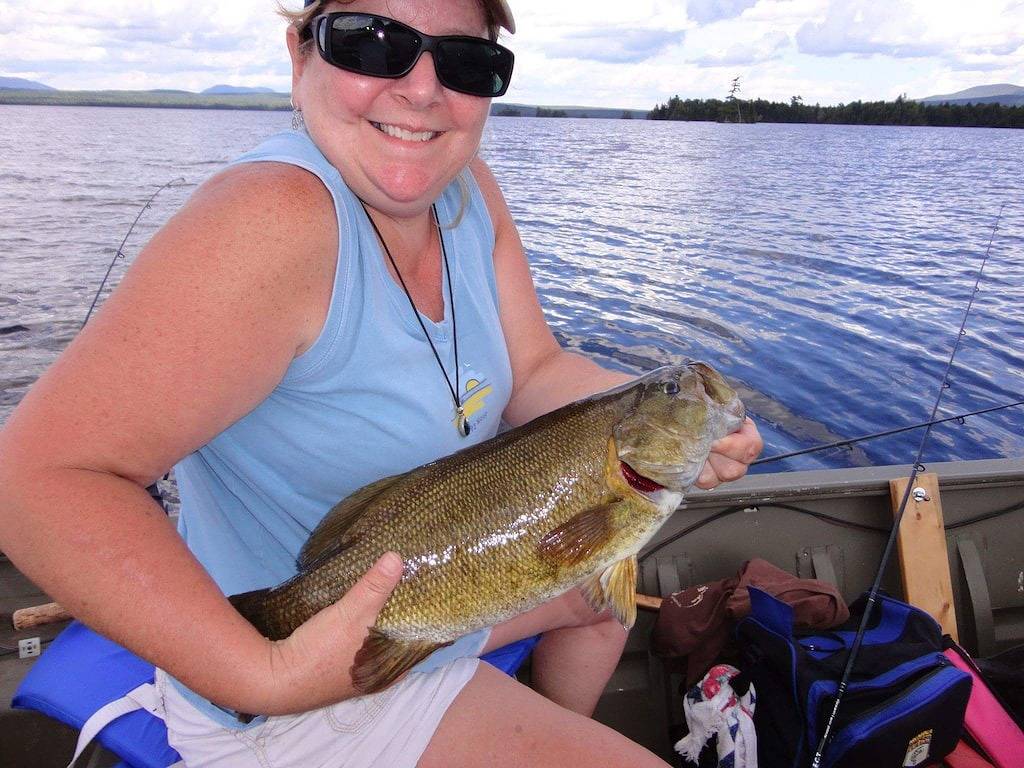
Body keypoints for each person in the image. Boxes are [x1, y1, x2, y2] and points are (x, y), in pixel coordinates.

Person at [0, 0, 763, 765]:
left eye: (466, 62)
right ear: (301, 56)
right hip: (294, 688)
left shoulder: (466, 191)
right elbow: (31, 483)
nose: (423, 89)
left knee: (601, 602)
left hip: (429, 596)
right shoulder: (271, 218)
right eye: (371, 42)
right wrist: (266, 675)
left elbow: (535, 370)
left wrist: (664, 420)